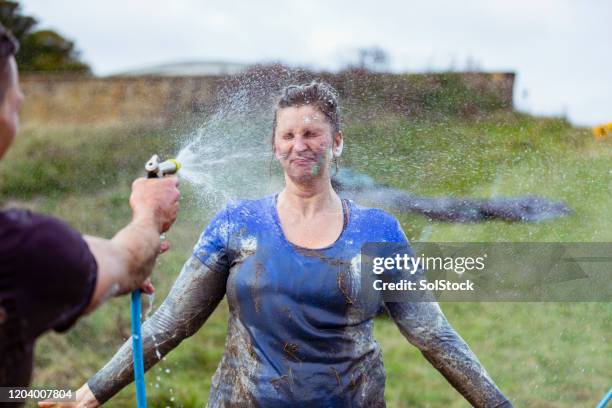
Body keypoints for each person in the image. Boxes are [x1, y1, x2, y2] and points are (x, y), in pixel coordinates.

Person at [68, 82, 512, 407]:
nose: (300, 145)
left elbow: (433, 336)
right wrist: (91, 392)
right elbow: (171, 324)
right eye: (288, 135)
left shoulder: (379, 231)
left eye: (313, 133)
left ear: (337, 143)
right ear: (275, 147)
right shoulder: (235, 224)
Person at [0, 24, 181, 389]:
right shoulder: (24, 249)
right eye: (13, 91)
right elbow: (128, 260)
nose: (19, 98)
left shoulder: (25, 247)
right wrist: (149, 213)